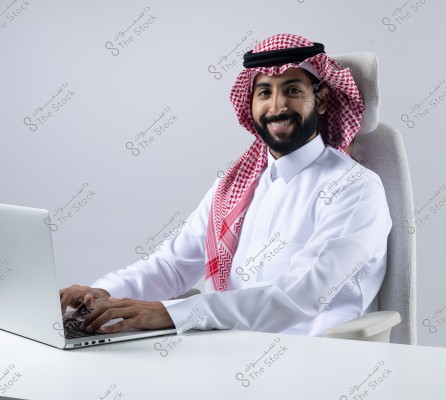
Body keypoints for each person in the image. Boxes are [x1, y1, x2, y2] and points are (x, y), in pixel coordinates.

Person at [59, 33, 392, 337]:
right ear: (250, 105)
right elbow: (172, 266)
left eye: (293, 90)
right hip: (224, 353)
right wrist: (102, 294)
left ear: (320, 101)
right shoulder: (236, 184)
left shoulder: (355, 188)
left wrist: (172, 314)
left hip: (314, 363)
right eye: (264, 92)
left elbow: (300, 296)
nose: (276, 107)